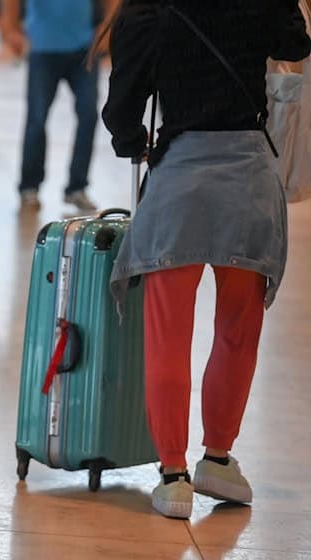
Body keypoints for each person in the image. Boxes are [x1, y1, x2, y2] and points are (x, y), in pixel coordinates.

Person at [102, 0, 310, 519]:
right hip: (249, 183)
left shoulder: (149, 11)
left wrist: (133, 141)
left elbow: (123, 110)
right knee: (238, 331)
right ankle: (217, 456)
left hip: (180, 183)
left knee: (169, 335)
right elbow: (296, 45)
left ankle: (174, 474)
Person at [0, 0, 118, 212]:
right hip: (43, 51)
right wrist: (11, 31)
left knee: (88, 114)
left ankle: (77, 187)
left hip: (83, 51)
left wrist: (108, 28)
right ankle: (29, 186)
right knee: (37, 118)